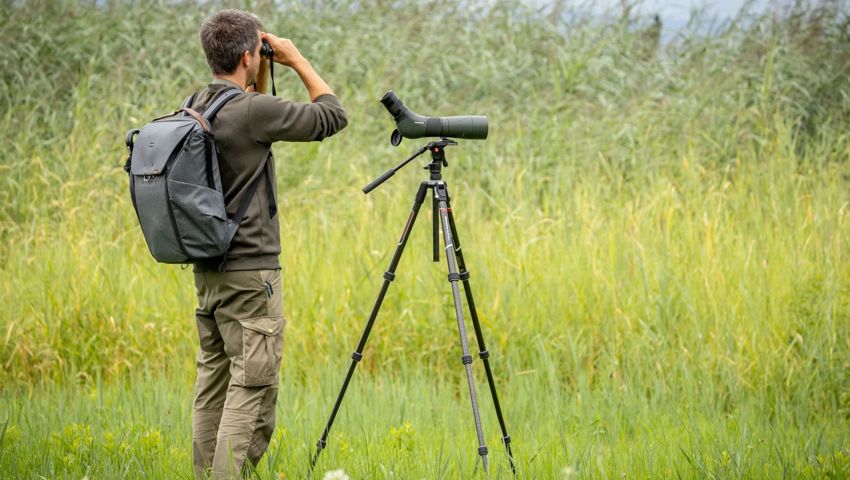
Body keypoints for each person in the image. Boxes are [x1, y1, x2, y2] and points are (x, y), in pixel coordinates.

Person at [190, 9, 347, 479]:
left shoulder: (198, 105)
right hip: (252, 273)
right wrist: (295, 59)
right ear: (249, 54)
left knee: (213, 384)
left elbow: (247, 106)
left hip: (208, 273)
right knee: (252, 385)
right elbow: (332, 115)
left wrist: (256, 72)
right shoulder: (253, 112)